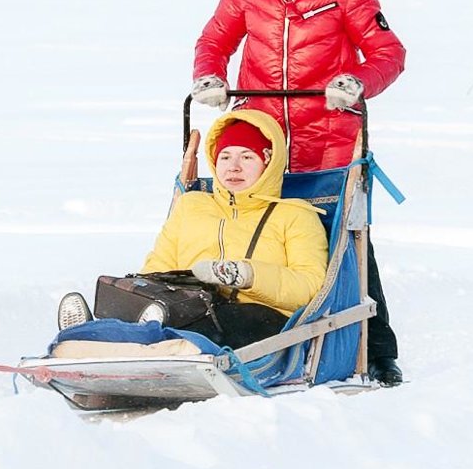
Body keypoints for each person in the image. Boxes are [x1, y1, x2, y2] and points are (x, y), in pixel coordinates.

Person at [189, 0, 406, 384]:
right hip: (262, 142)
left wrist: (357, 83)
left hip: (329, 142)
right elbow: (215, 39)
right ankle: (250, 336)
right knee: (255, 237)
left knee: (346, 245)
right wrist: (210, 76)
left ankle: (376, 351)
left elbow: (388, 53)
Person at [57, 111, 328, 349]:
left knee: (215, 324)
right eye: (225, 156)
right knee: (155, 311)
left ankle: (122, 343)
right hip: (191, 304)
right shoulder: (192, 205)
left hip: (262, 314)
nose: (234, 167)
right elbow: (159, 264)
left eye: (247, 156)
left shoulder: (296, 214)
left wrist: (246, 274)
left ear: (268, 162)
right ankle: (92, 335)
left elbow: (310, 287)